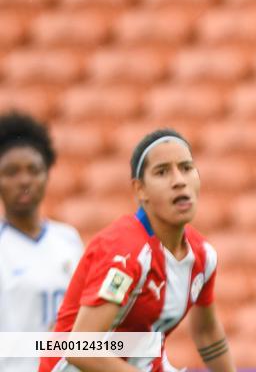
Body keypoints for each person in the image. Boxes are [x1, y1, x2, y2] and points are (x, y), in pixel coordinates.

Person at [40, 129, 235, 372]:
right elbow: (80, 348)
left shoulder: (202, 257)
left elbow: (207, 334)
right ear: (140, 189)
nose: (179, 180)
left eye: (186, 167)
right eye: (162, 172)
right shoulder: (125, 252)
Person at [0, 111, 83, 372]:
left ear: (47, 174)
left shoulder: (68, 239)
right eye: (11, 172)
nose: (24, 180)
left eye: (33, 170)